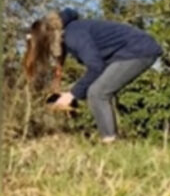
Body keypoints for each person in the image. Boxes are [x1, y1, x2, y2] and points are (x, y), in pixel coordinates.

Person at [23, 8, 162, 142]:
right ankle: (110, 138)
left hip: (139, 51)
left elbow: (96, 67)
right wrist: (73, 94)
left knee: (97, 92)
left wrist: (72, 95)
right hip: (128, 52)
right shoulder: (68, 33)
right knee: (95, 89)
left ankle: (110, 141)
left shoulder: (74, 36)